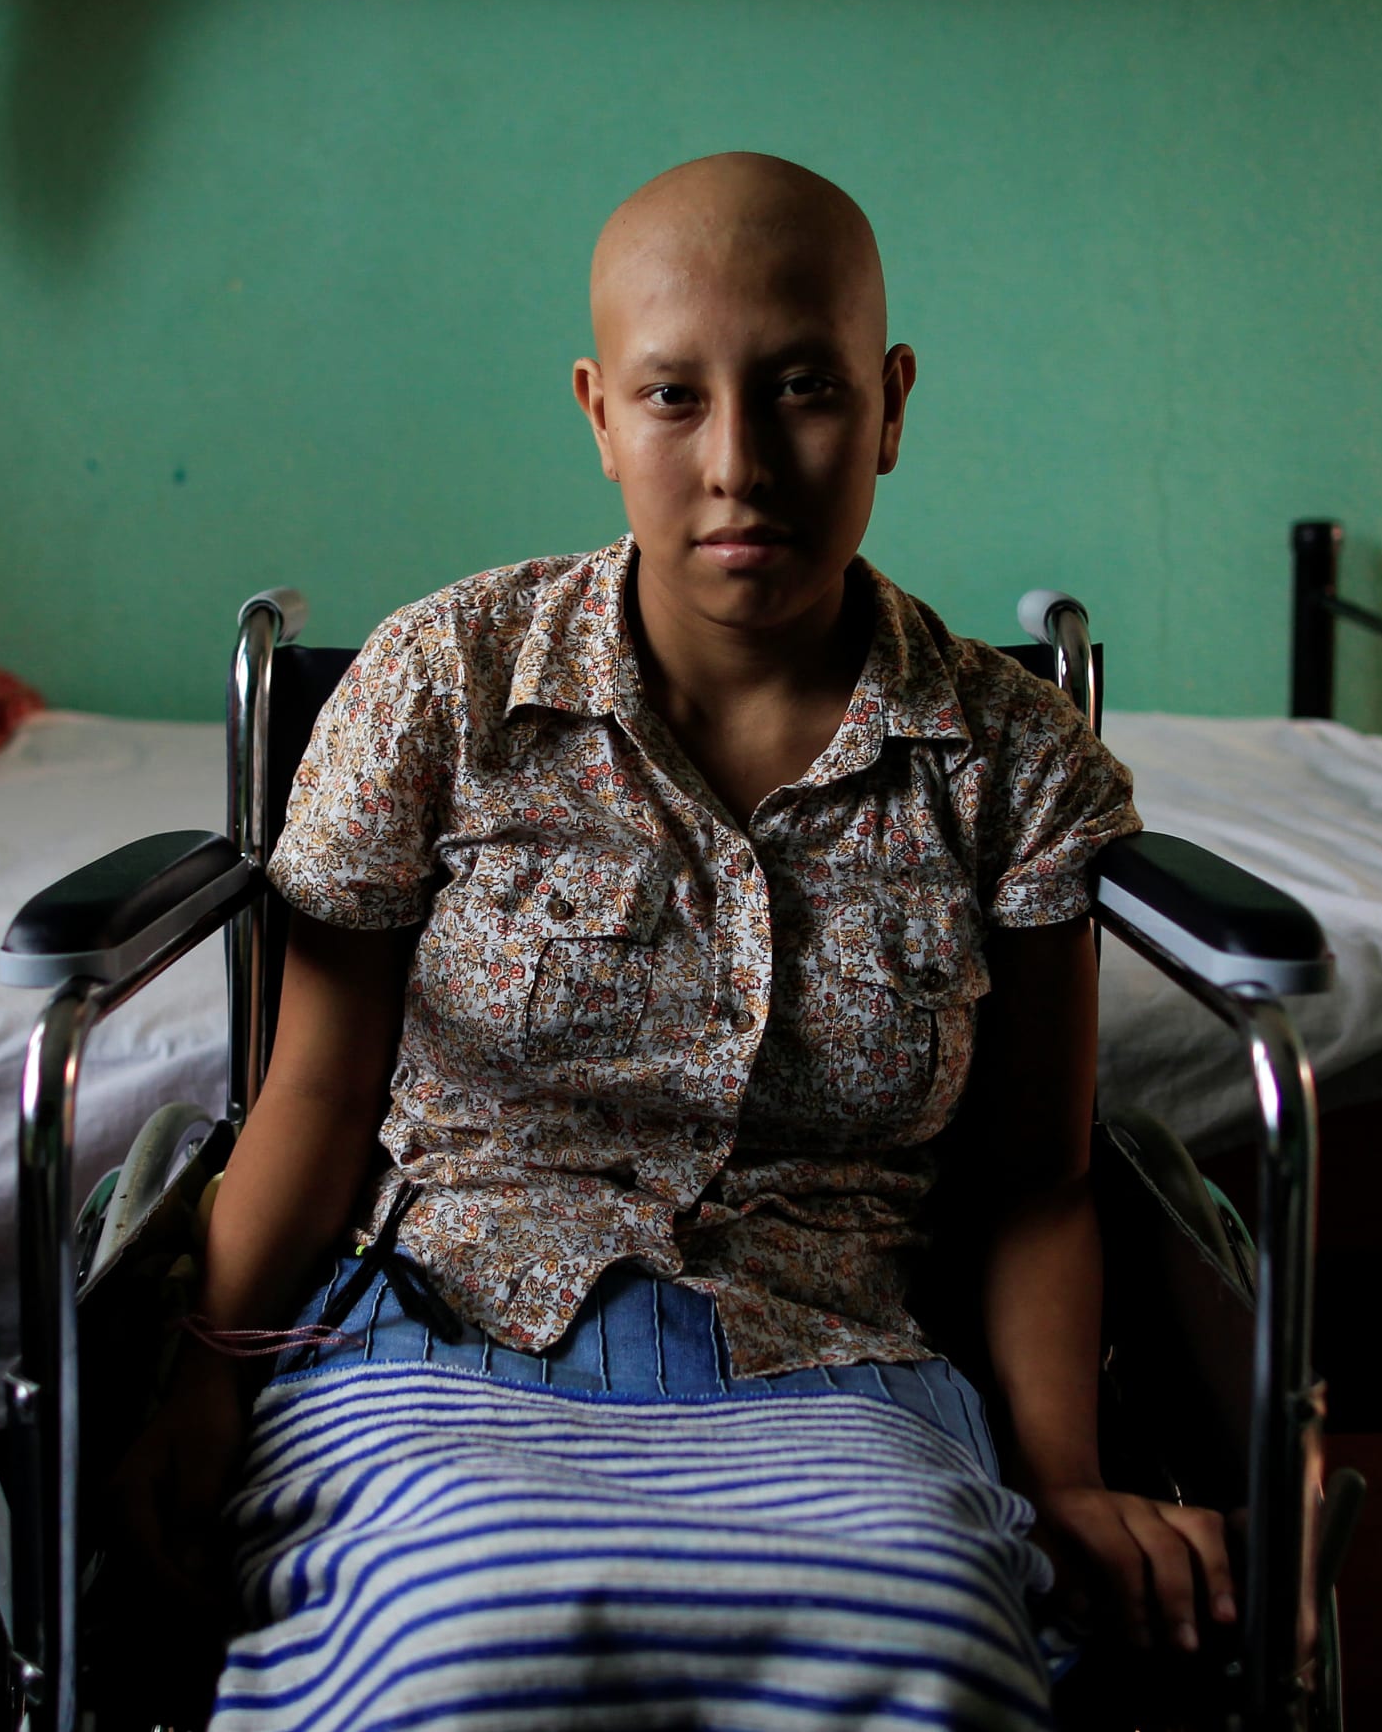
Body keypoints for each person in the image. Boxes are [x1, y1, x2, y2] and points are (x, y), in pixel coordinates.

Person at [121, 152, 1236, 1729]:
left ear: (892, 403)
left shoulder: (1014, 760)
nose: (741, 465)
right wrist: (205, 1379)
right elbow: (308, 1098)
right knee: (464, 1650)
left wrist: (1065, 1481)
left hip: (838, 1367)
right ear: (597, 413)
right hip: (448, 1348)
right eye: (671, 398)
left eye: (802, 390)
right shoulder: (441, 683)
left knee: (930, 1649)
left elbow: (1038, 1181)